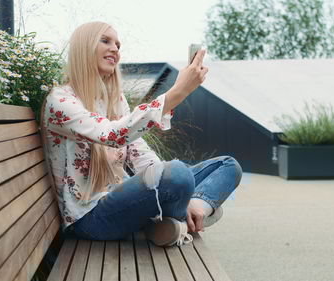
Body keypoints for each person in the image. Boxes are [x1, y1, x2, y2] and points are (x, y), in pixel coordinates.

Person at [40, 21, 242, 247]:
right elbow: (112, 135)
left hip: (122, 200)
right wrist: (178, 92)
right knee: (178, 175)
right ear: (83, 48)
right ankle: (190, 213)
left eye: (118, 44)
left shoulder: (115, 100)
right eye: (105, 41)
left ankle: (181, 216)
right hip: (90, 217)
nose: (115, 48)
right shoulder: (60, 101)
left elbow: (138, 153)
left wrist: (166, 178)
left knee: (227, 165)